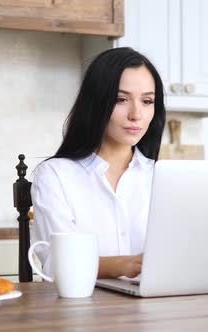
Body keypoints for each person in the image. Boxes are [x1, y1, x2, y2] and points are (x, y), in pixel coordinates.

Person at [31, 47, 166, 280]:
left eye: (147, 101)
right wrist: (126, 265)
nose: (136, 114)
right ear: (96, 102)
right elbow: (57, 263)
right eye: (121, 99)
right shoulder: (55, 175)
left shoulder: (163, 177)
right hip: (80, 310)